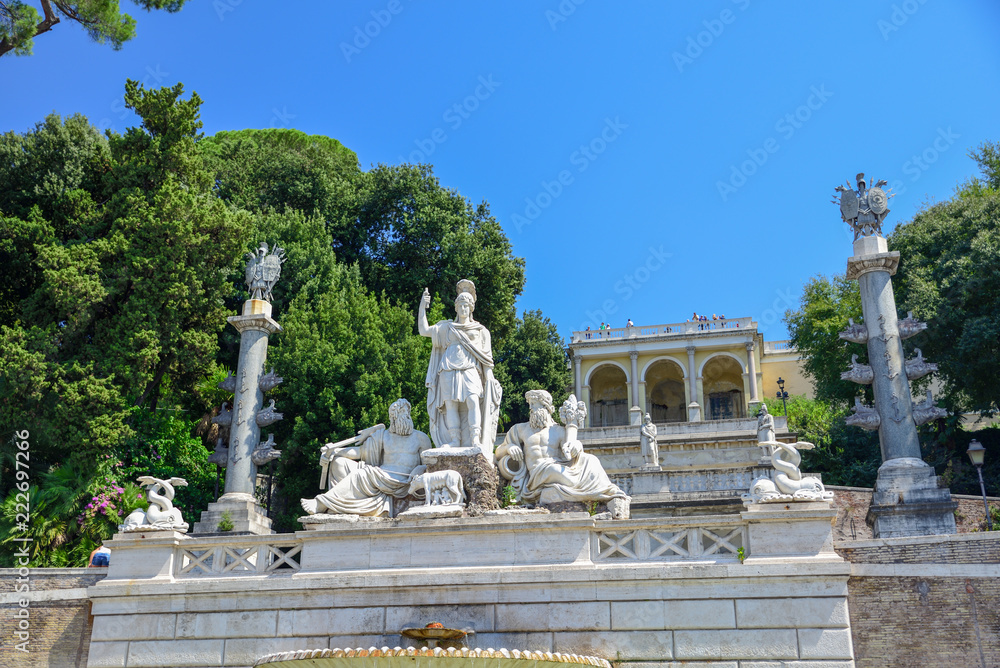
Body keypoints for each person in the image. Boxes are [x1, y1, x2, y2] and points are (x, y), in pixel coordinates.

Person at [301, 398, 432, 517]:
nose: (405, 416)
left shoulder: (420, 438)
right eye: (400, 412)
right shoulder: (383, 436)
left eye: (406, 412)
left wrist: (419, 470)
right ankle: (342, 506)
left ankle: (322, 503)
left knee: (361, 474)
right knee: (339, 463)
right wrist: (334, 452)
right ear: (393, 417)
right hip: (381, 475)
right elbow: (360, 452)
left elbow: (430, 465)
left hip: (403, 481)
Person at [495, 390, 629, 506]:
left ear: (546, 408)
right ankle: (589, 492)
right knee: (553, 469)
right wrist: (509, 447)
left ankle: (606, 491)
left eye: (534, 405)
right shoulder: (520, 429)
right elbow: (498, 452)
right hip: (537, 474)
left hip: (556, 467)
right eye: (530, 405)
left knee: (591, 459)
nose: (531, 408)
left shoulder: (559, 430)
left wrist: (577, 446)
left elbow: (570, 450)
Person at [418, 280, 502, 456]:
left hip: (470, 369)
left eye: (466, 306)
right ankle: (455, 440)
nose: (463, 309)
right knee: (451, 405)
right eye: (460, 305)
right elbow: (423, 330)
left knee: (472, 401)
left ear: (471, 309)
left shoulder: (481, 331)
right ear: (456, 308)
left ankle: (475, 439)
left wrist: (490, 378)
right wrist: (422, 307)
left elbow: (486, 359)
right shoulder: (446, 327)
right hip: (448, 369)